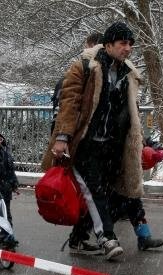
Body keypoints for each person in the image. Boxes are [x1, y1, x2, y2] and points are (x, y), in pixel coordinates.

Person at [42, 22, 145, 260]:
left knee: (109, 194)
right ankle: (108, 238)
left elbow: (132, 113)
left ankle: (79, 237)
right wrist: (62, 137)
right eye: (122, 43)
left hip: (111, 145)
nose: (127, 48)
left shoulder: (127, 74)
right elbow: (69, 103)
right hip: (84, 142)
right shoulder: (85, 67)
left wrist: (139, 140)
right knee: (94, 190)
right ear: (108, 44)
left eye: (130, 44)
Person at [50, 32, 104, 134]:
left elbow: (66, 104)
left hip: (77, 130)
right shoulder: (111, 69)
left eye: (86, 45)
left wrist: (60, 133)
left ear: (92, 45)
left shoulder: (81, 69)